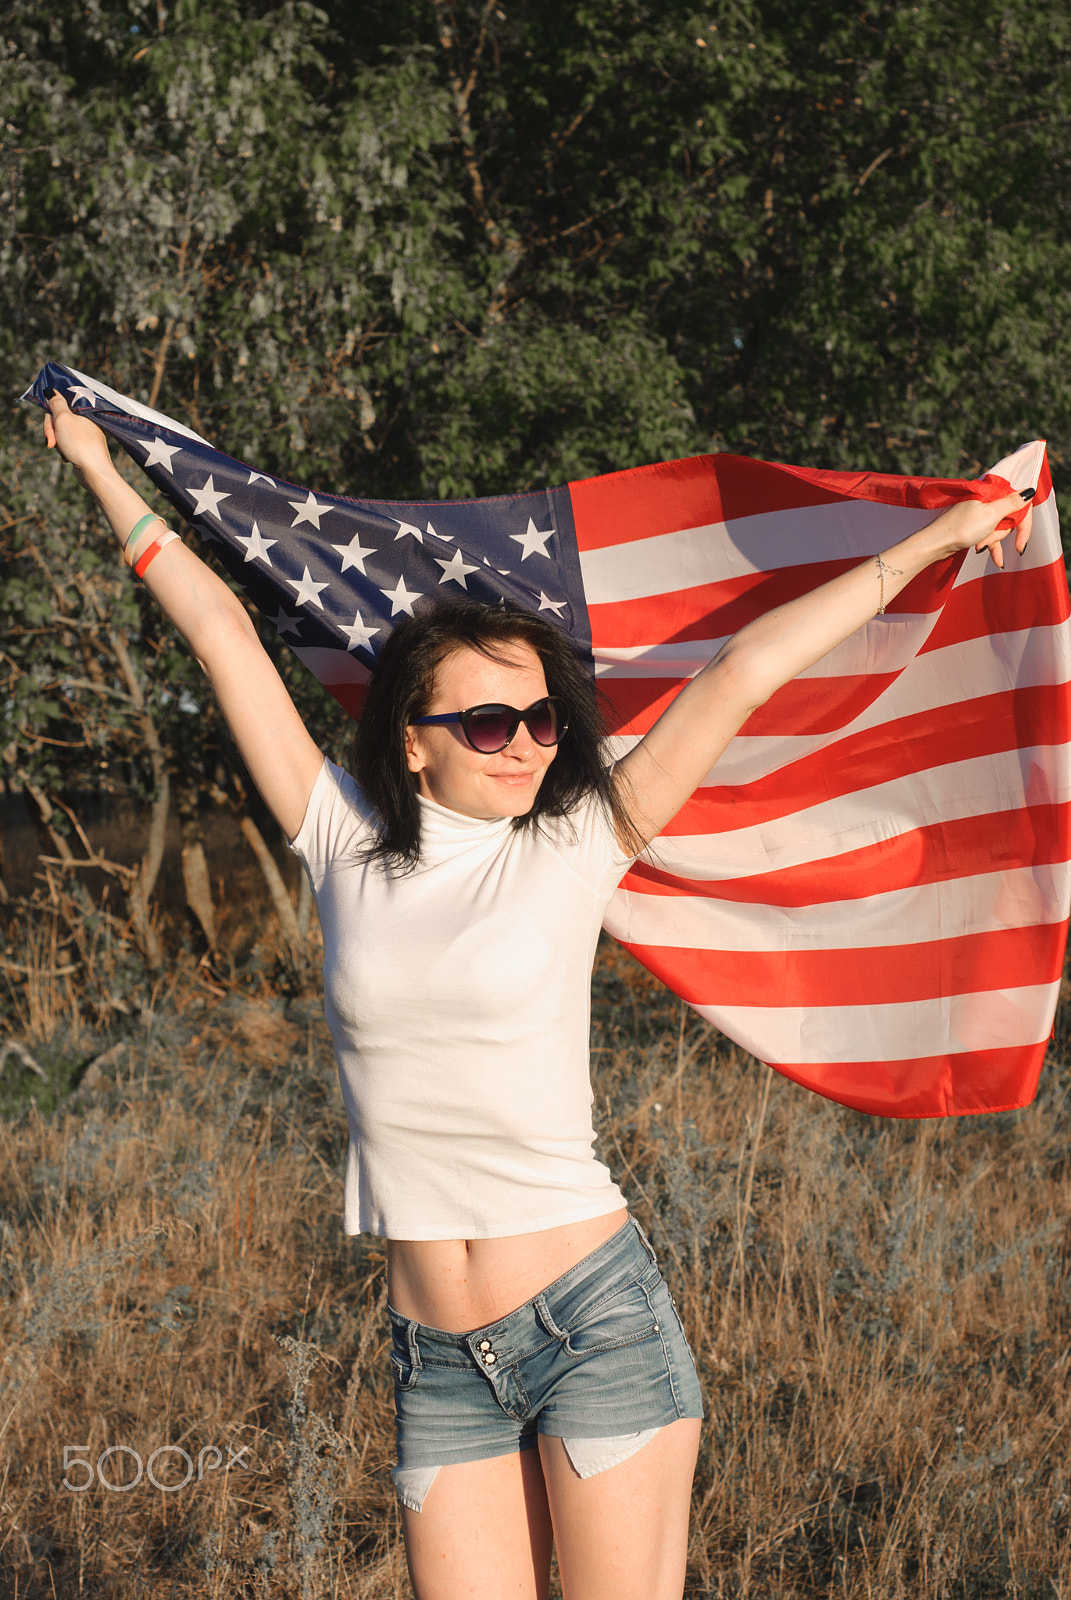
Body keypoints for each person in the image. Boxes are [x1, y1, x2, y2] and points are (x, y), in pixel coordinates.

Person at [41, 390, 1033, 1600]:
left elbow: (746, 669)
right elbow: (221, 638)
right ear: (414, 738)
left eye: (545, 719)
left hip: (592, 1325)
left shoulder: (577, 842)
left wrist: (933, 542)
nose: (525, 743)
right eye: (491, 719)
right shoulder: (340, 842)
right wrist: (98, 464)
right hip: (433, 1356)